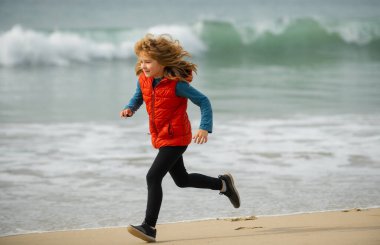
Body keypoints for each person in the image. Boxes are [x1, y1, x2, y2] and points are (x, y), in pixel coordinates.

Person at [120, 34, 240, 243]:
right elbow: (138, 96)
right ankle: (223, 185)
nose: (143, 65)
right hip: (161, 137)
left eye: (148, 61)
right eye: (141, 61)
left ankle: (149, 227)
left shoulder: (177, 85)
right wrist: (130, 108)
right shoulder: (144, 79)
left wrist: (204, 128)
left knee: (153, 176)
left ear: (162, 62)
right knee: (182, 180)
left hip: (177, 138)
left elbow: (204, 101)